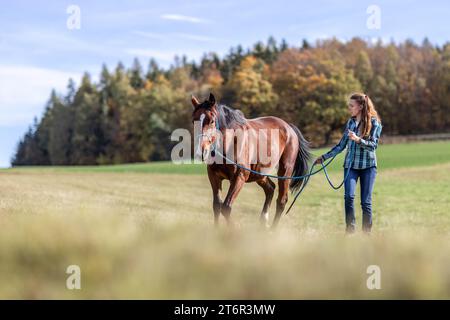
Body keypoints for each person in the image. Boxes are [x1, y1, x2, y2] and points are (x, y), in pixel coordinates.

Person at [314, 93, 382, 234]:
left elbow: (373, 145)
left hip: (368, 167)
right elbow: (341, 145)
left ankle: (366, 234)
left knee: (365, 202)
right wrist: (324, 157)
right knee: (349, 197)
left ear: (361, 106)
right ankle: (350, 231)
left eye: (352, 105)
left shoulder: (374, 123)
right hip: (350, 166)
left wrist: (358, 139)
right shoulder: (350, 122)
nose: (349, 108)